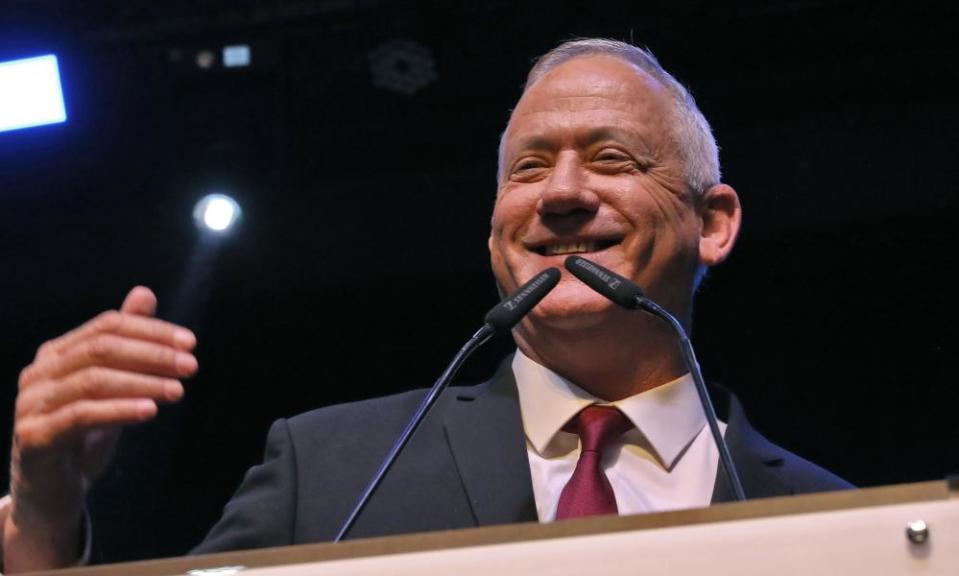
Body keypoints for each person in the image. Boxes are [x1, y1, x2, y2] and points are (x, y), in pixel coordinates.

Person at [1, 38, 851, 572]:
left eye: (611, 157)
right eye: (526, 168)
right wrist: (42, 522)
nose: (559, 193)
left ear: (712, 223)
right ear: (495, 234)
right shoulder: (328, 470)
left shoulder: (847, 526)